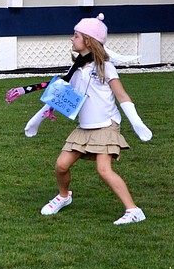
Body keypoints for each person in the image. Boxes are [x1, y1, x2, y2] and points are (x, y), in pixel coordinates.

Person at [15, 14, 153, 225]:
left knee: (104, 170)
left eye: (76, 35)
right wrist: (36, 119)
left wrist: (137, 123)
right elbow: (60, 94)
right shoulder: (76, 68)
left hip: (106, 126)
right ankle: (63, 196)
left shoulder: (105, 67)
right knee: (61, 165)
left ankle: (134, 210)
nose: (72, 39)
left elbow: (122, 95)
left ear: (88, 40)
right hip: (85, 127)